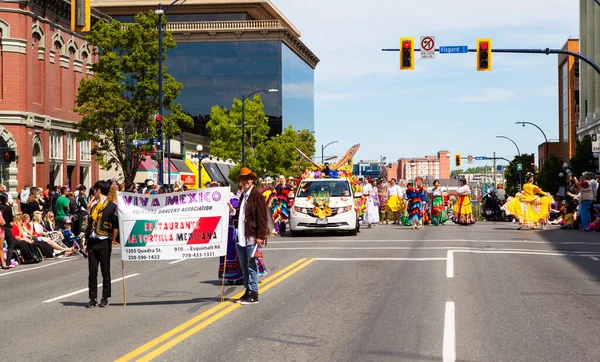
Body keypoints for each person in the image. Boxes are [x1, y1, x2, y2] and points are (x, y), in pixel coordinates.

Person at [235, 167, 268, 305]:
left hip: (252, 235)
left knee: (250, 264)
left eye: (247, 178)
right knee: (243, 265)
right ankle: (248, 290)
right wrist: (233, 212)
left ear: (252, 179)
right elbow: (240, 215)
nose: (245, 181)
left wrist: (260, 236)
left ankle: (254, 292)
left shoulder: (257, 195)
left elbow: (262, 217)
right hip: (242, 235)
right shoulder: (244, 195)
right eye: (243, 179)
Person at [85, 180, 119, 308]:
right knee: (92, 272)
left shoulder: (112, 206)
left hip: (105, 241)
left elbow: (115, 225)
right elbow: (90, 223)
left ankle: (105, 297)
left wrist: (113, 239)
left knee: (105, 271)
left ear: (98, 190)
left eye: (95, 190)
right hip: (93, 241)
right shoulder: (94, 206)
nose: (94, 192)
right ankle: (92, 298)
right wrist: (86, 240)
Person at [218, 194, 244, 284]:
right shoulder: (216, 199)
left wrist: (230, 209)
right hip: (223, 229)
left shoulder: (233, 198)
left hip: (231, 229)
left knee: (233, 252)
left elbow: (236, 212)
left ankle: (238, 275)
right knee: (225, 253)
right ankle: (229, 275)